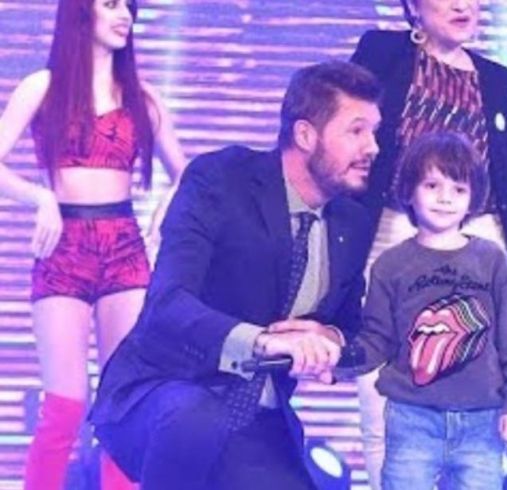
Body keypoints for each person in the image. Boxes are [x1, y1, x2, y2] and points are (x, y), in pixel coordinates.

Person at [89, 60, 382, 490]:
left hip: (255, 417)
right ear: (305, 135)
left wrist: (330, 338)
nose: (373, 147)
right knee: (196, 419)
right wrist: (262, 341)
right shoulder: (221, 180)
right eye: (356, 131)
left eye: (374, 131)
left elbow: (358, 335)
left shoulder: (351, 224)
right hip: (165, 388)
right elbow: (168, 304)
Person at [349, 2, 507, 485]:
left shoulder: (497, 80)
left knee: (478, 387)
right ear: (413, 6)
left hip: (478, 236)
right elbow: (346, 135)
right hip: (393, 230)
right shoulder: (382, 53)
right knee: (384, 395)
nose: (463, 5)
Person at [0, 0, 188, 488]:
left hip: (123, 246)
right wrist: (40, 197)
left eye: (129, 6)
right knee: (64, 406)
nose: (125, 14)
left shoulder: (142, 98)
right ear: (81, 12)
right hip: (64, 248)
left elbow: (186, 174)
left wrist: (163, 214)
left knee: (121, 405)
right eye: (111, 4)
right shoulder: (43, 87)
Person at [346, 131, 507, 489]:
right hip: (411, 417)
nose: (445, 198)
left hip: (482, 419)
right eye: (432, 185)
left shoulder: (493, 261)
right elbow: (377, 339)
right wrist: (338, 363)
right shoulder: (390, 265)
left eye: (459, 189)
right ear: (409, 190)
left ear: (473, 198)